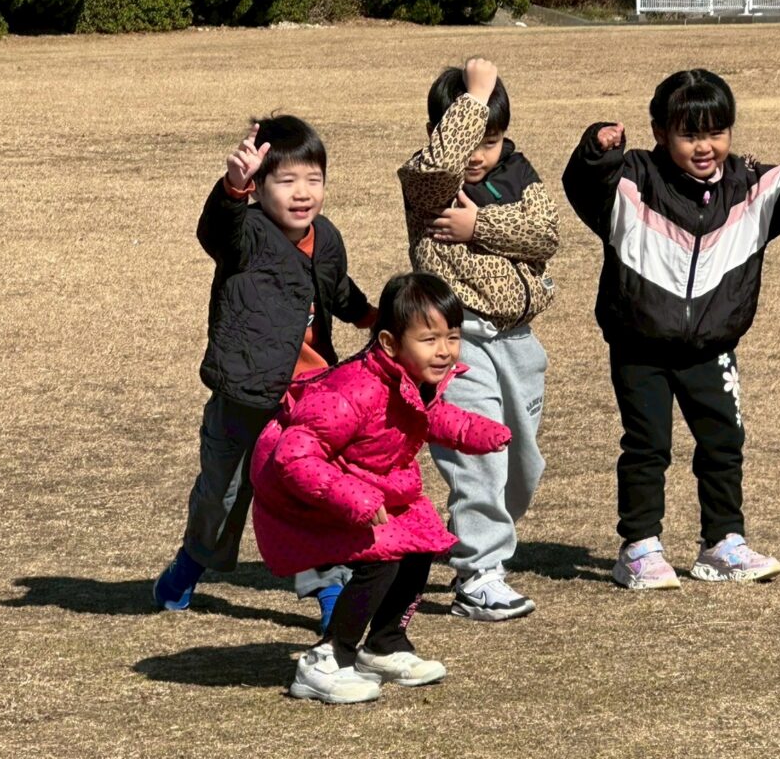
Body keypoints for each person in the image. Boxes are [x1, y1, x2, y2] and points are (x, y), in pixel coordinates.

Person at [562, 69, 780, 589]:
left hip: (711, 346)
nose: (705, 146)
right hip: (639, 345)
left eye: (717, 132)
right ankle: (639, 547)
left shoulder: (746, 186)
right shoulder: (633, 179)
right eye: (689, 134)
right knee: (647, 446)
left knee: (723, 444)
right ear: (659, 132)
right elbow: (584, 186)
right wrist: (598, 153)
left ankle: (722, 543)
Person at [152, 117, 376, 627]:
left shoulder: (327, 237)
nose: (302, 193)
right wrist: (233, 188)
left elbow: (338, 289)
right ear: (259, 185)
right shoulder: (246, 232)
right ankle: (191, 563)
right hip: (244, 395)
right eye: (286, 180)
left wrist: (372, 318)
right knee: (223, 494)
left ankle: (329, 589)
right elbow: (216, 230)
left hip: (309, 401)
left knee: (312, 491)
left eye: (313, 179)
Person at [249, 272, 512, 704]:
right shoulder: (354, 390)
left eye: (452, 336)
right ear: (390, 343)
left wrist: (477, 431)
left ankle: (384, 644)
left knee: (420, 542)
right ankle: (326, 659)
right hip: (307, 493)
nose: (445, 350)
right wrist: (352, 496)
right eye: (429, 339)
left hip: (370, 486)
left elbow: (427, 417)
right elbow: (295, 456)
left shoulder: (411, 380)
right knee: (382, 555)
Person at [398, 58, 559, 621]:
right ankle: (479, 574)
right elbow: (445, 160)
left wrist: (479, 226)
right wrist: (476, 94)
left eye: (489, 141)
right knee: (478, 460)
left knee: (522, 465)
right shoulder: (428, 182)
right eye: (468, 138)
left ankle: (481, 543)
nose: (476, 154)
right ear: (441, 132)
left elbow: (546, 234)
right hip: (458, 342)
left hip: (518, 341)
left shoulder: (518, 172)